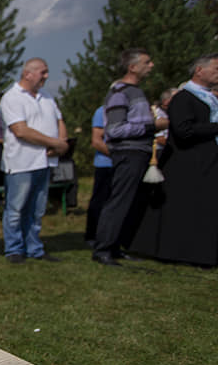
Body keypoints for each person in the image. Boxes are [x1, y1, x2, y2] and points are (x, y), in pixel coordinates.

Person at [127, 54, 218, 267]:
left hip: (208, 160)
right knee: (188, 210)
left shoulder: (210, 97)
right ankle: (187, 253)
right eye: (215, 68)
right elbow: (183, 130)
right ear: (199, 71)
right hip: (190, 162)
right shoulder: (184, 98)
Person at [92, 49, 167, 266]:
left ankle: (115, 246)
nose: (151, 65)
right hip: (128, 152)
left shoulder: (135, 91)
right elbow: (115, 129)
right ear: (132, 67)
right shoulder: (120, 92)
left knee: (129, 201)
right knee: (119, 200)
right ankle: (103, 248)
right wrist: (153, 126)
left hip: (138, 151)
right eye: (147, 61)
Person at [0, 58, 68, 263]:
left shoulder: (46, 96)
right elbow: (21, 131)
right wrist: (54, 143)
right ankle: (14, 249)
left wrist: (62, 142)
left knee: (36, 209)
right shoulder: (12, 98)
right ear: (28, 74)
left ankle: (34, 248)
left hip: (44, 162)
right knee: (16, 209)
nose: (46, 76)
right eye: (43, 72)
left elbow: (59, 120)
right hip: (21, 163)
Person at [84, 104, 112, 245]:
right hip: (105, 163)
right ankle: (92, 235)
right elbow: (96, 141)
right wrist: (118, 156)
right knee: (99, 201)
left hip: (122, 166)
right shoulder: (102, 111)